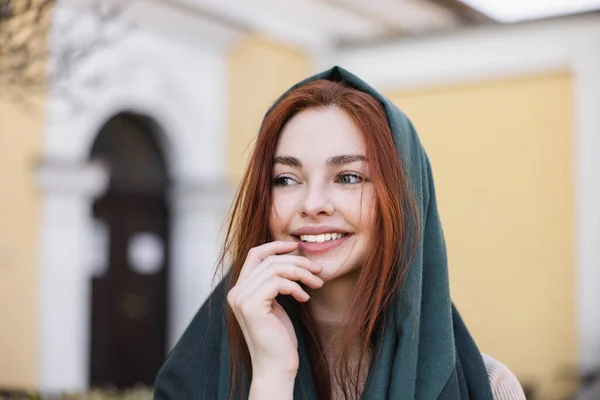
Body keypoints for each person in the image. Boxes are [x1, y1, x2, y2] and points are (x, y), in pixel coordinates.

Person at [153, 67, 526, 400]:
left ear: (403, 198)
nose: (312, 204)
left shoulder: (487, 388)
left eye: (348, 177)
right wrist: (271, 376)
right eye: (285, 179)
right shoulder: (193, 380)